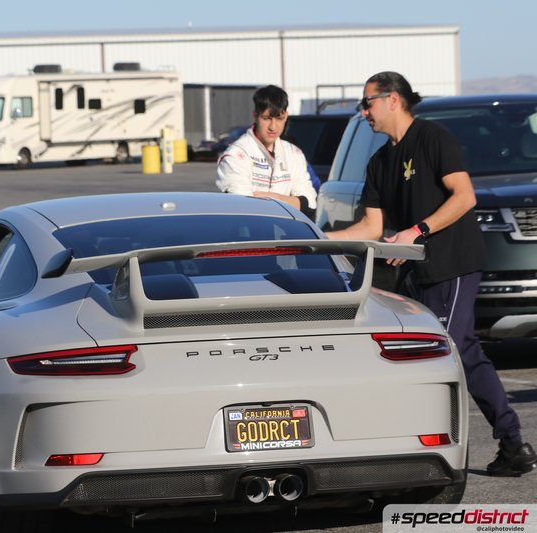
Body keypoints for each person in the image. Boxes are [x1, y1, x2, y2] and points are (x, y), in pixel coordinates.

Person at [325, 71, 535, 477]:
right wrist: (319, 238)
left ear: (393, 100)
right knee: (459, 353)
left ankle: (454, 449)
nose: (362, 111)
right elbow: (370, 228)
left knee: (448, 349)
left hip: (452, 263)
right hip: (412, 278)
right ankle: (508, 445)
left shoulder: (434, 139)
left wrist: (418, 229)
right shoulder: (379, 161)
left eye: (367, 102)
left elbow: (464, 195)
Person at [216, 85, 317, 220]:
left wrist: (275, 198)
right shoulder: (236, 155)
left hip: (286, 238)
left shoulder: (294, 154)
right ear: (255, 116)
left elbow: (310, 205)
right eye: (266, 118)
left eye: (279, 119)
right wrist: (291, 202)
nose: (273, 127)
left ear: (286, 116)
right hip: (249, 239)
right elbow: (243, 208)